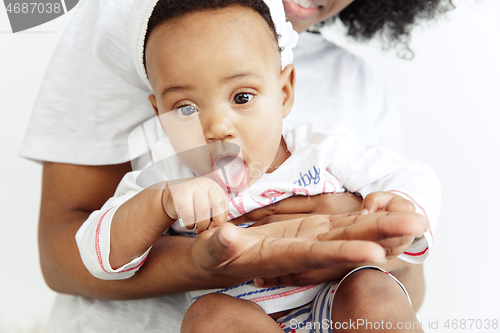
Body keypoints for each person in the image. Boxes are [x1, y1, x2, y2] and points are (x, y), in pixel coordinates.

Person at [20, 0, 447, 331]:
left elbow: (410, 181)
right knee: (209, 317)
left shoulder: (323, 146)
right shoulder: (167, 180)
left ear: (284, 92)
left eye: (242, 98)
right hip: (243, 316)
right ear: (159, 113)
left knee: (373, 288)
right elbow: (91, 251)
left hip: (333, 310)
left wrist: (387, 211)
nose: (216, 126)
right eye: (185, 108)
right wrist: (160, 205)